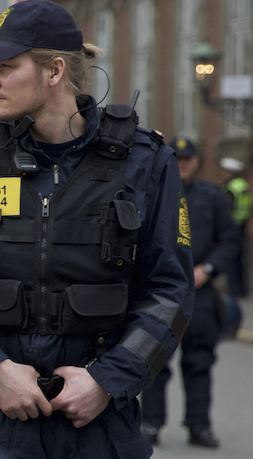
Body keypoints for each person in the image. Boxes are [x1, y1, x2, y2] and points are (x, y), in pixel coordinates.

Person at [0, 1, 194, 458]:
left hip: (100, 424)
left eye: (4, 67)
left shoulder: (145, 162)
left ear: (54, 71)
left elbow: (170, 294)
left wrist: (106, 380)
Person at [139, 137, 239, 448]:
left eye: (188, 159)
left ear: (196, 161)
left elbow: (229, 241)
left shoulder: (212, 197)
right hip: (161, 294)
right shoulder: (153, 192)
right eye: (177, 158)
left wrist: (207, 269)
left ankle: (199, 426)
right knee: (154, 362)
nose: (182, 163)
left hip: (201, 294)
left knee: (199, 363)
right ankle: (151, 423)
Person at [219, 156, 250, 298]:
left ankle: (234, 289)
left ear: (230, 173)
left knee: (231, 260)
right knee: (241, 259)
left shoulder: (231, 188)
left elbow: (227, 209)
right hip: (242, 226)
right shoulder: (243, 185)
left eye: (225, 172)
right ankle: (242, 289)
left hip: (232, 228)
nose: (223, 175)